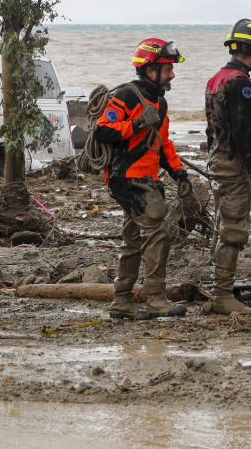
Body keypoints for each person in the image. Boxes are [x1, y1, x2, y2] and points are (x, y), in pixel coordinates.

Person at [95, 38, 193, 320]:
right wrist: (138, 123)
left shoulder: (159, 103)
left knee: (133, 238)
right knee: (157, 233)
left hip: (144, 178)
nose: (172, 74)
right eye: (167, 69)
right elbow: (103, 131)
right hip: (125, 177)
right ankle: (155, 298)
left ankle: (122, 301)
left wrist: (180, 174)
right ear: (149, 70)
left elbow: (162, 144)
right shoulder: (126, 95)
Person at [204, 19, 251, 315]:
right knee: (233, 230)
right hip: (233, 167)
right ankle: (221, 295)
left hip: (216, 162)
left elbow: (211, 129)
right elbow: (243, 133)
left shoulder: (216, 78)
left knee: (222, 227)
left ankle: (221, 288)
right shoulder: (240, 84)